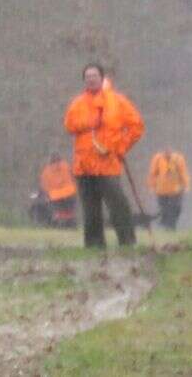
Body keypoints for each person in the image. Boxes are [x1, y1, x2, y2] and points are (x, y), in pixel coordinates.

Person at [64, 63, 144, 248]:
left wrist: (120, 148)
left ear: (102, 77)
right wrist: (89, 123)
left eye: (94, 75)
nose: (91, 79)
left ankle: (127, 242)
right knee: (90, 209)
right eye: (87, 76)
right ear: (84, 80)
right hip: (83, 165)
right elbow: (69, 125)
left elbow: (136, 127)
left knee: (118, 205)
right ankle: (93, 245)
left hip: (108, 163)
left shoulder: (118, 102)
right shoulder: (77, 103)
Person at [147, 149, 191, 230]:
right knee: (164, 209)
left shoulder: (178, 159)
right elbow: (152, 174)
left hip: (176, 190)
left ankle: (171, 224)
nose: (167, 153)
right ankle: (167, 225)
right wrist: (152, 186)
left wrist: (186, 185)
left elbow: (183, 172)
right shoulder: (157, 159)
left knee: (176, 208)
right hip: (161, 190)